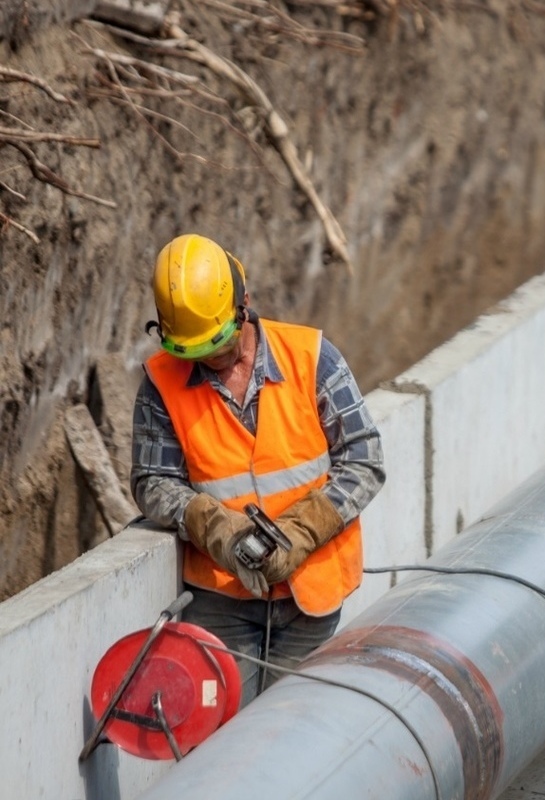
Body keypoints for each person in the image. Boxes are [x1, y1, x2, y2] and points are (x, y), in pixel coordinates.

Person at [131, 233, 386, 705]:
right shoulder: (161, 385)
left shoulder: (311, 357)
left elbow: (364, 459)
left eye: (220, 343)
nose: (212, 360)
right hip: (221, 603)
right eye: (195, 352)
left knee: (296, 729)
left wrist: (302, 531)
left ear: (243, 304)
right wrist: (212, 526)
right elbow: (152, 481)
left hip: (312, 595)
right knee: (225, 741)